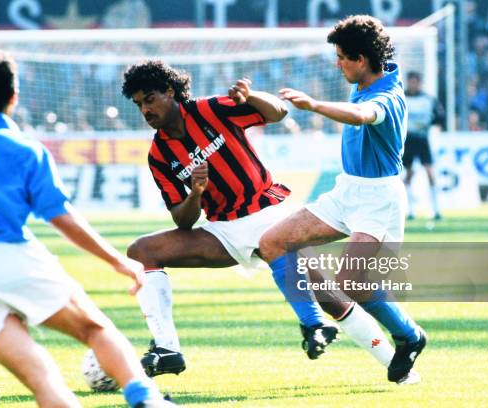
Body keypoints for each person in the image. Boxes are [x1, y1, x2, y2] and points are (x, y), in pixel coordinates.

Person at [0, 50, 174, 408]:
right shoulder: (24, 149)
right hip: (7, 259)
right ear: (13, 97)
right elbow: (61, 217)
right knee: (95, 330)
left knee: (42, 379)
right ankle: (146, 399)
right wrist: (118, 261)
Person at [121, 60, 400, 380]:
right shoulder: (159, 154)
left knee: (329, 299)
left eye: (150, 99)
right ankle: (167, 348)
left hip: (270, 216)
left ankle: (395, 364)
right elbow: (183, 220)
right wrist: (195, 193)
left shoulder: (210, 109)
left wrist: (251, 96)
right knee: (141, 251)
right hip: (222, 231)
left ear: (170, 92)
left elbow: (278, 112)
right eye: (139, 104)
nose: (145, 109)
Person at [258, 15, 426, 384]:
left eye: (341, 57)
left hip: (379, 200)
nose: (337, 64)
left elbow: (364, 115)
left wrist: (315, 106)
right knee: (272, 242)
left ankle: (410, 336)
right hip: (346, 191)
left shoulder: (387, 96)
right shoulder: (368, 79)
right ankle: (313, 325)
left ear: (361, 60)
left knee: (351, 282)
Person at [402, 71, 445, 220]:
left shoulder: (428, 99)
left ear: (419, 83)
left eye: (415, 81)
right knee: (408, 174)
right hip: (407, 139)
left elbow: (440, 116)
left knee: (430, 173)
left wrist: (429, 123)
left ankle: (436, 209)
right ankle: (410, 210)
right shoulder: (401, 97)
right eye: (410, 81)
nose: (413, 84)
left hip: (422, 139)